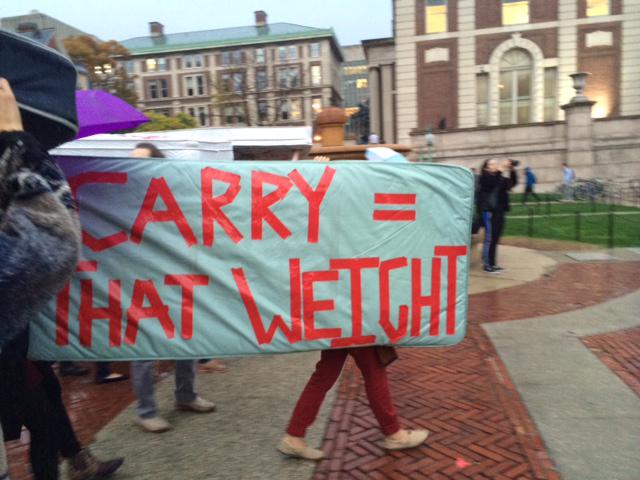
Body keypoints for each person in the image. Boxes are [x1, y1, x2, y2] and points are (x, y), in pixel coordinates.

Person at [0, 78, 124, 480]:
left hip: (19, 351)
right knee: (42, 409)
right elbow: (55, 242)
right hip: (13, 358)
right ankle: (77, 460)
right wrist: (16, 145)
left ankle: (77, 459)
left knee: (45, 405)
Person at [129, 143, 216, 433]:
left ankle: (185, 395)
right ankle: (145, 411)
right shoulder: (123, 199)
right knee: (144, 348)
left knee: (185, 340)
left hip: (175, 280)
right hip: (140, 281)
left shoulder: (173, 195)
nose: (133, 166)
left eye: (141, 161)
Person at [278, 347, 428, 460]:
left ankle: (294, 436)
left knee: (323, 375)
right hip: (355, 318)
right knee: (374, 372)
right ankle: (394, 434)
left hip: (339, 317)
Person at [478, 158, 517, 273]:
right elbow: (490, 183)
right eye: (492, 164)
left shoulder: (499, 177)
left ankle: (493, 263)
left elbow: (512, 184)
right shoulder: (484, 177)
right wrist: (500, 170)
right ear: (486, 167)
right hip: (489, 212)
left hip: (499, 211)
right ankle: (487, 265)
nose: (496, 165)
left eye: (496, 163)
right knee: (489, 238)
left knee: (495, 238)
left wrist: (511, 170)